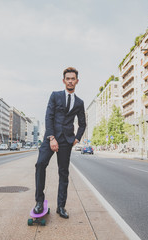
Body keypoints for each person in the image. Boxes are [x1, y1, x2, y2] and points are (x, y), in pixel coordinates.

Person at [34, 67, 86, 219]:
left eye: (73, 78)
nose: (70, 81)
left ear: (77, 81)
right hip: (51, 137)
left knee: (63, 173)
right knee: (40, 164)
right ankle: (39, 202)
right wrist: (51, 138)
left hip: (66, 141)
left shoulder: (79, 102)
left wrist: (77, 138)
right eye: (68, 78)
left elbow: (82, 124)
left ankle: (61, 206)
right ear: (64, 81)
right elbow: (48, 116)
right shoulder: (55, 96)